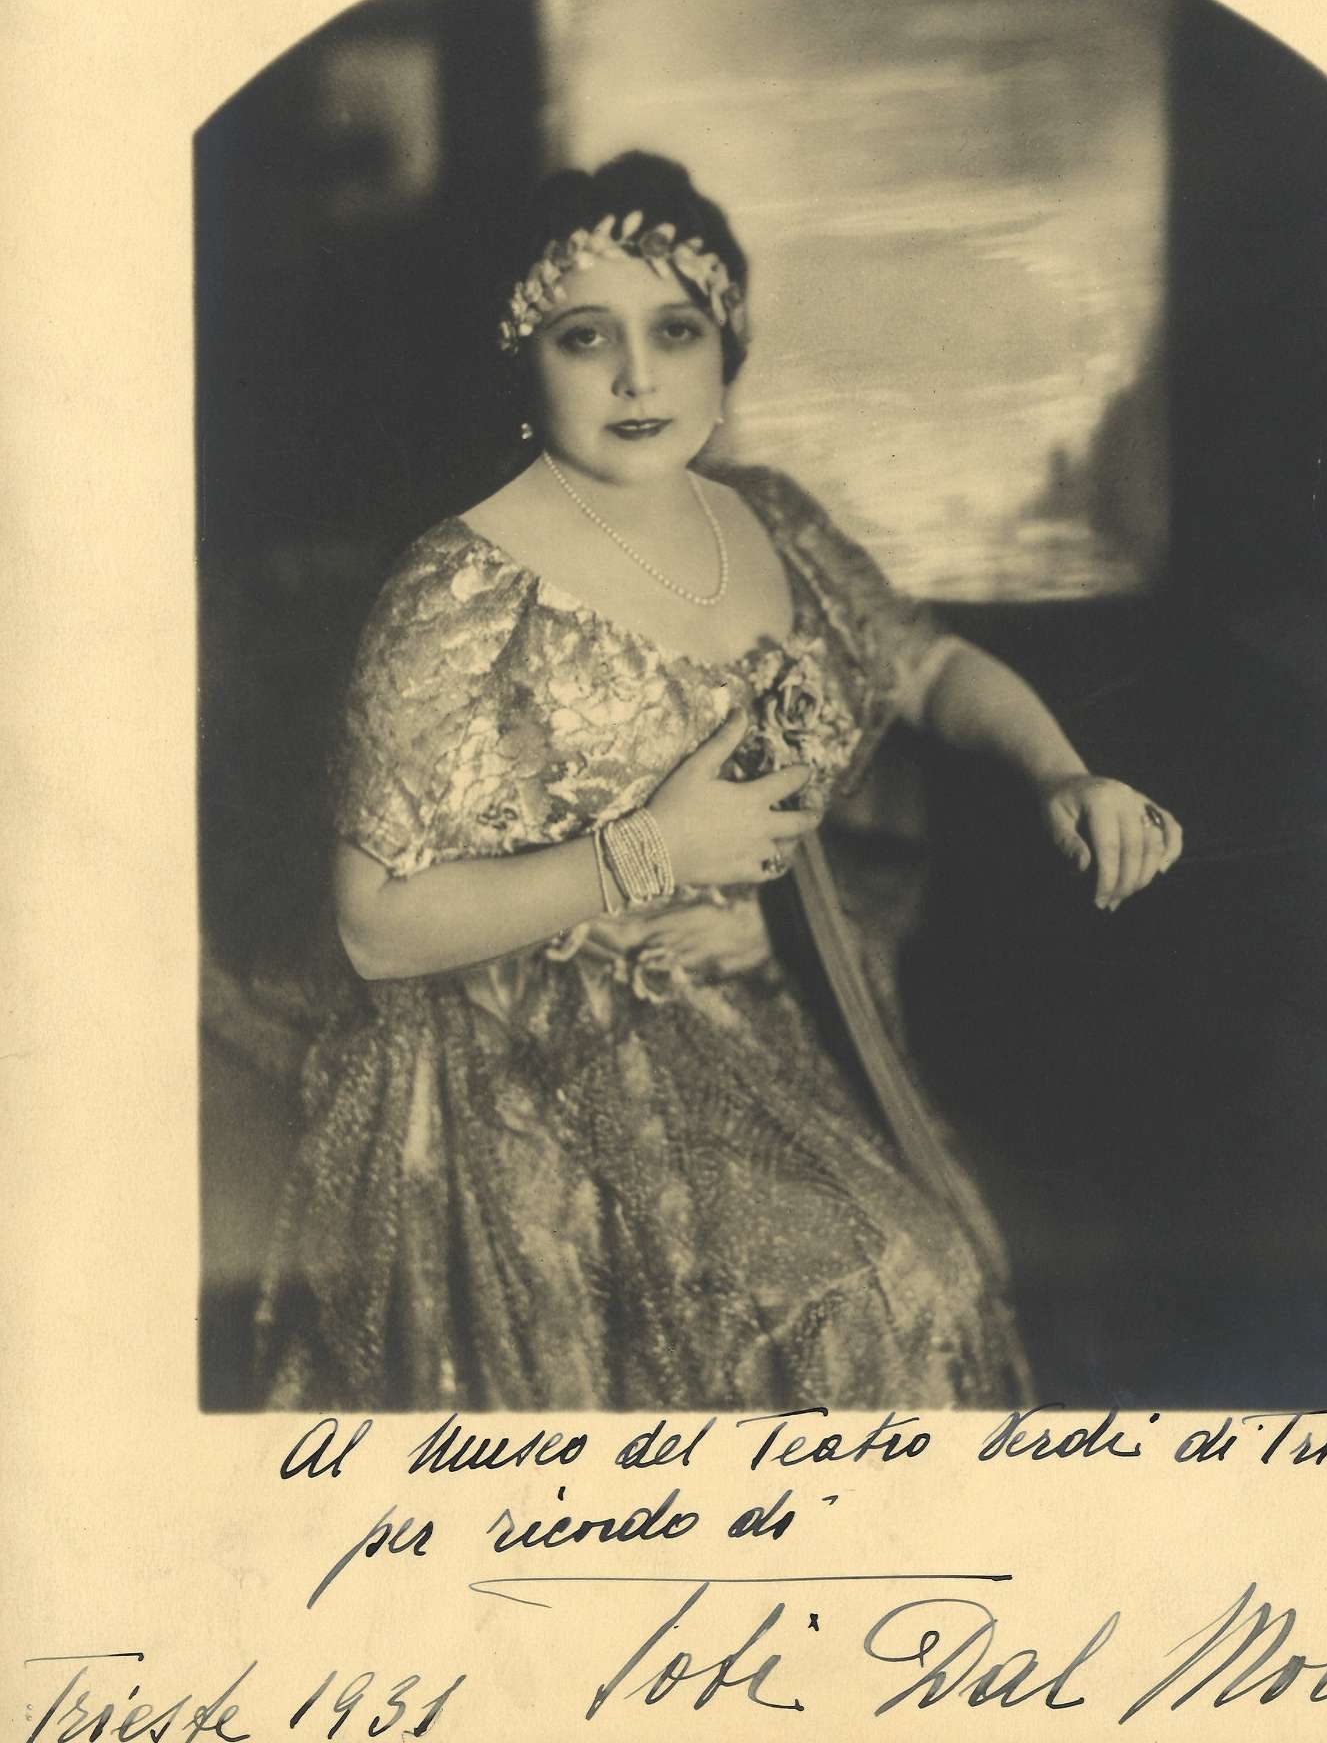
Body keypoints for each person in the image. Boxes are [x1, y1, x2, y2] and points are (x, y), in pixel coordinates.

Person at [255, 151, 1183, 1411]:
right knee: (870, 1291)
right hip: (525, 1051)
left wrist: (1059, 770)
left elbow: (924, 663)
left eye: (676, 330)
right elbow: (373, 925)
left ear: (723, 351)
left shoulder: (769, 518)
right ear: (524, 360)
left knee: (942, 1266)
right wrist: (652, 850)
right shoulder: (457, 589)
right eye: (586, 336)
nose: (638, 376)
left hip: (753, 1004)